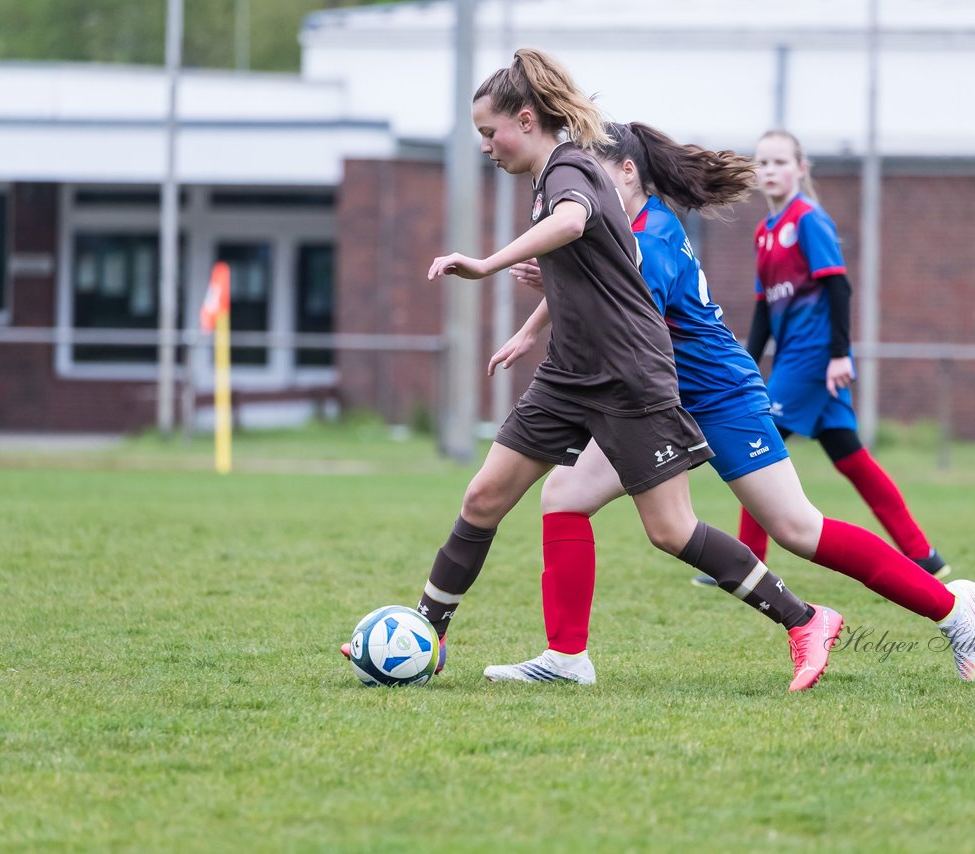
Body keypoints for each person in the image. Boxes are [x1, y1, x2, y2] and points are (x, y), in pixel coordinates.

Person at [347, 48, 844, 692]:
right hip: (569, 374)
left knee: (671, 531)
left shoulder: (569, 169)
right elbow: (589, 274)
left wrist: (487, 264)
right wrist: (530, 333)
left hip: (628, 375)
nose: (486, 146)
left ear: (526, 120)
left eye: (488, 132)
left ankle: (805, 619)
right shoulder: (549, 173)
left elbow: (573, 221)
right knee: (484, 497)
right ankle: (426, 635)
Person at [481, 121, 975, 686]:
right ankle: (566, 659)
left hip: (719, 396)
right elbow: (599, 290)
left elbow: (615, 311)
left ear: (628, 173)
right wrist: (537, 320)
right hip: (659, 399)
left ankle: (952, 611)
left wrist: (549, 293)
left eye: (594, 178)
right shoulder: (624, 234)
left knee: (797, 528)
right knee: (565, 495)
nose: (584, 194)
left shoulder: (648, 239)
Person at [715, 129, 954, 581]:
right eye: (763, 162)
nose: (770, 170)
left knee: (757, 442)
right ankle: (924, 556)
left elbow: (838, 287)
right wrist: (746, 362)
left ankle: (749, 560)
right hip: (795, 360)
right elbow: (766, 307)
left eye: (780, 162)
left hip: (813, 357)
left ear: (801, 169)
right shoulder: (765, 233)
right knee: (851, 457)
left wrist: (840, 354)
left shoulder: (808, 220)